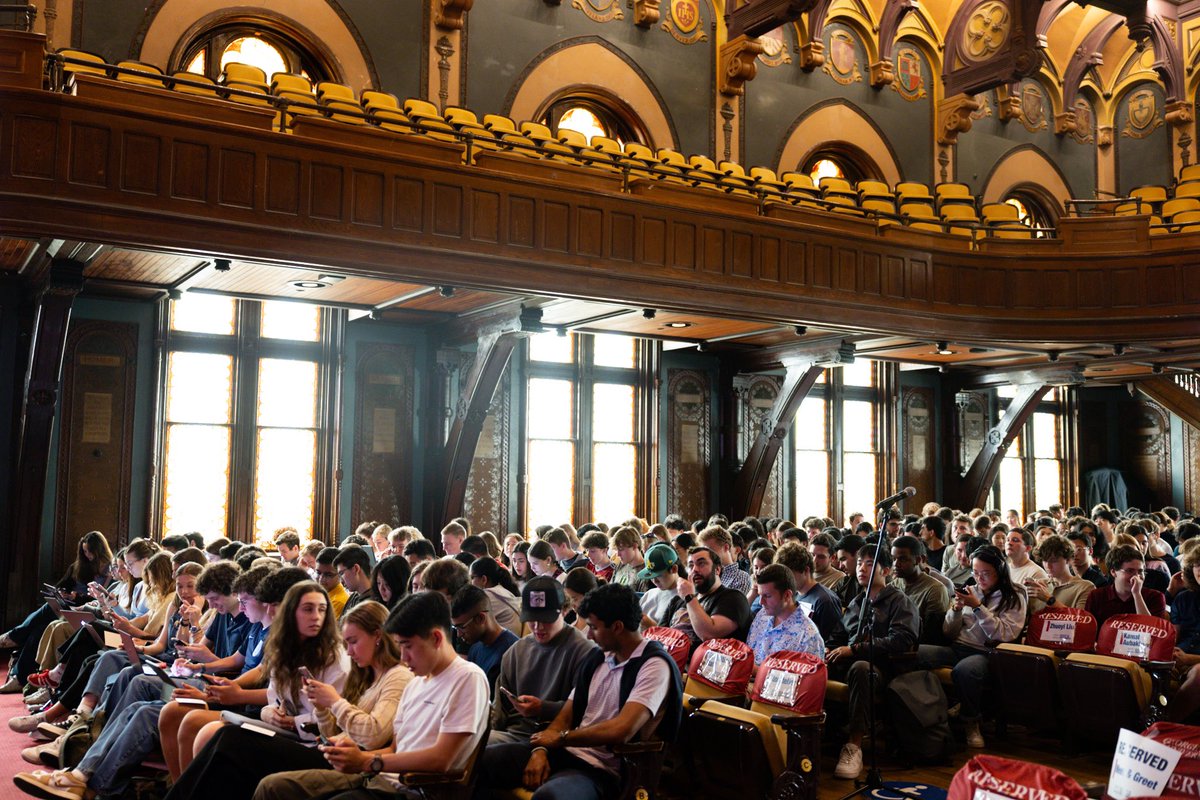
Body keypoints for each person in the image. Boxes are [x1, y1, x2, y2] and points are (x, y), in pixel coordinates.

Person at [252, 592, 490, 800]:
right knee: (273, 787)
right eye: (399, 646)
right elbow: (397, 748)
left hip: (414, 790)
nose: (403, 657)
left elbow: (442, 760)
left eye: (407, 646)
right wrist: (352, 756)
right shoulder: (416, 682)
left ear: (436, 638)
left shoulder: (467, 677)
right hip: (378, 778)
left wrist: (367, 761)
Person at [161, 601, 409, 800]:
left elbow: (373, 734)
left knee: (230, 740)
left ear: (378, 636)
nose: (350, 651)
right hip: (325, 747)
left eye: (354, 642)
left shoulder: (395, 677)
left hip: (338, 757)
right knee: (225, 745)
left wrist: (332, 703)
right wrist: (321, 708)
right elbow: (325, 728)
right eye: (346, 643)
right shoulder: (363, 674)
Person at [477, 583, 682, 800]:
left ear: (617, 627)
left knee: (550, 796)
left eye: (593, 627)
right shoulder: (599, 657)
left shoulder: (653, 666)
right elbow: (567, 714)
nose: (590, 635)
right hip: (566, 751)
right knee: (478, 762)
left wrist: (561, 739)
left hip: (603, 767)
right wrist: (542, 750)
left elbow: (622, 729)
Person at [918, 546, 1026, 749]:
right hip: (958, 647)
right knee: (916, 653)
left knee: (965, 671)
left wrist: (977, 607)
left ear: (1000, 571)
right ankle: (926, 714)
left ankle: (971, 722)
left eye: (986, 573)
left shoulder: (1014, 595)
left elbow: (1003, 634)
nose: (979, 579)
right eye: (975, 572)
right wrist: (956, 610)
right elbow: (949, 633)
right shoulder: (971, 590)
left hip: (988, 653)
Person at [827, 547, 920, 779]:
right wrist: (827, 648)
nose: (861, 568)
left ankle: (854, 745)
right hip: (848, 665)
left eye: (869, 564)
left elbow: (901, 641)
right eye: (859, 563)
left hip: (884, 668)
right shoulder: (857, 602)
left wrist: (856, 649)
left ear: (886, 570)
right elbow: (838, 636)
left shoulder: (899, 602)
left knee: (861, 668)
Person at [489, 576, 598, 745]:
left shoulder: (585, 651)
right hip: (514, 734)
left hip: (560, 739)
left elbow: (589, 710)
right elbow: (500, 712)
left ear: (565, 610)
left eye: (546, 619)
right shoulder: (515, 652)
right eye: (531, 619)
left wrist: (544, 708)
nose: (538, 626)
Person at [662, 546, 752, 648]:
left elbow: (709, 635)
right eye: (691, 566)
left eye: (701, 563)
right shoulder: (677, 601)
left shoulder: (734, 598)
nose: (695, 569)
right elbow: (660, 637)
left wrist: (689, 597)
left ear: (717, 570)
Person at [746, 564, 825, 665]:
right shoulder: (762, 615)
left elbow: (806, 679)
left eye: (767, 596)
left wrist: (756, 671)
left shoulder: (808, 637)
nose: (761, 602)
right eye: (760, 595)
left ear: (787, 595)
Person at [451, 585, 519, 691]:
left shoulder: (511, 653)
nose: (459, 634)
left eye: (462, 627)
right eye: (456, 628)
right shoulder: (475, 648)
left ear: (481, 618)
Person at [774, 542, 844, 643]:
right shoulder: (795, 594)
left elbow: (833, 642)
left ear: (806, 571)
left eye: (790, 575)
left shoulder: (825, 601)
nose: (785, 580)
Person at [1084, 543, 1168, 625]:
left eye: (1140, 571)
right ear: (1113, 572)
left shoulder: (1155, 597)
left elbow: (1151, 631)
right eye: (1130, 571)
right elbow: (1089, 630)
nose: (1136, 576)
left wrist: (1137, 594)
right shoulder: (1096, 596)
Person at [890, 535, 949, 643]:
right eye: (893, 559)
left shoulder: (935, 589)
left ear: (919, 559)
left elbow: (931, 634)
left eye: (902, 559)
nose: (896, 564)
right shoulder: (893, 585)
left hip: (920, 645)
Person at [1026, 534, 1094, 614]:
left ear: (1068, 560)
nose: (1048, 566)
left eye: (1054, 560)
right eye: (1045, 560)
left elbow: (1081, 621)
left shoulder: (1085, 587)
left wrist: (1049, 600)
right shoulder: (1039, 585)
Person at [469, 556, 523, 634]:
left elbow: (469, 621)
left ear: (484, 579)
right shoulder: (501, 590)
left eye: (472, 578)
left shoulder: (487, 596)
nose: (470, 583)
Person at [697, 525, 752, 596]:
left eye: (710, 551)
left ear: (726, 547)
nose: (706, 556)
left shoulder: (741, 578)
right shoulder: (703, 574)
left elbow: (729, 606)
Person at [637, 543, 680, 628]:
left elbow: (680, 637)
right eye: (651, 576)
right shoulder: (649, 594)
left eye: (659, 575)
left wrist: (651, 626)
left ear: (674, 569)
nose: (654, 581)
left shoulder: (686, 598)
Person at [333, 546, 374, 616]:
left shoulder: (373, 604)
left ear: (355, 569)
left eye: (341, 573)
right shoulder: (354, 596)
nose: (341, 581)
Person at [316, 547, 352, 617]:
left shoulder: (337, 602)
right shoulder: (324, 594)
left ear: (340, 574)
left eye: (328, 575)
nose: (321, 579)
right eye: (318, 573)